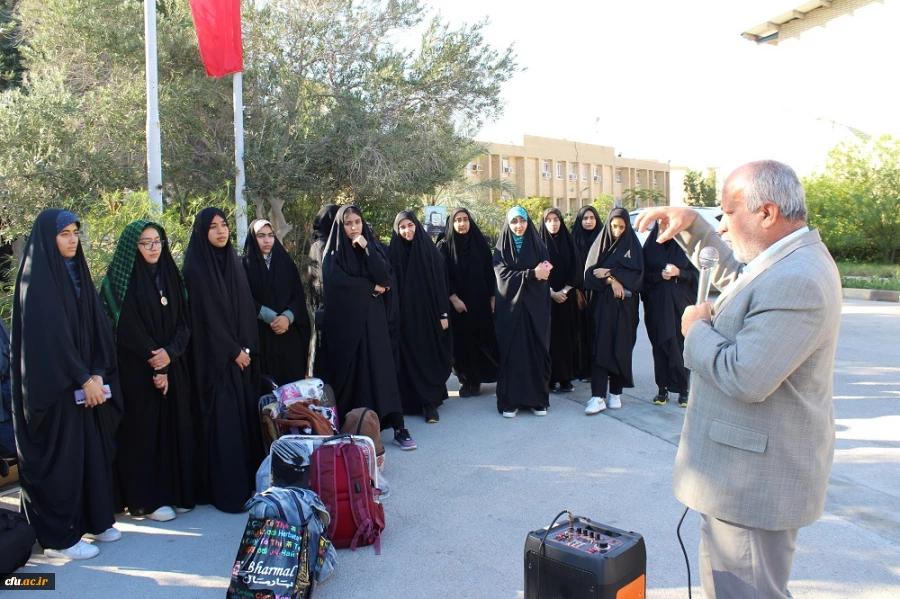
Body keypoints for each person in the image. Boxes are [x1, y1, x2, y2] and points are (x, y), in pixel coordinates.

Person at [635, 160, 842, 599]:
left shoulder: (799, 279)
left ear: (767, 213)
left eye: (728, 213)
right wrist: (693, 226)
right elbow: (743, 283)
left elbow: (744, 375)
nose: (723, 226)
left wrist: (696, 330)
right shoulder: (787, 262)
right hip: (742, 478)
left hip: (752, 485)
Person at [11, 209, 123, 560]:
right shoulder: (37, 280)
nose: (73, 240)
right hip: (55, 390)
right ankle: (60, 537)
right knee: (63, 460)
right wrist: (83, 378)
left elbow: (97, 326)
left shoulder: (77, 273)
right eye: (64, 234)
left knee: (89, 454)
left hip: (85, 385)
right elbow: (51, 339)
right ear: (49, 238)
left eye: (75, 232)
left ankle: (94, 520)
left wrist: (98, 373)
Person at [100, 220, 194, 522]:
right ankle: (148, 501)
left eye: (157, 242)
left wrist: (170, 355)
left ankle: (177, 493)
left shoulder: (172, 276)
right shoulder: (121, 280)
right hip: (136, 370)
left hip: (172, 366)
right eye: (146, 243)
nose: (154, 248)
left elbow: (185, 321)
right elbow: (126, 327)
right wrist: (156, 360)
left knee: (174, 428)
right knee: (145, 433)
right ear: (133, 247)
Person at [182, 207, 263, 513]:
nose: (221, 231)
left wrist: (247, 349)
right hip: (216, 363)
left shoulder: (233, 263)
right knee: (224, 426)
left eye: (224, 225)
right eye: (213, 227)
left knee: (243, 422)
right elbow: (206, 320)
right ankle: (228, 491)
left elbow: (244, 309)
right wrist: (232, 351)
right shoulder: (196, 268)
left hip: (242, 357)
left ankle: (248, 484)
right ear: (202, 232)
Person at [322, 205, 416, 450]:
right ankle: (355, 427)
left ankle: (398, 427)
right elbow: (337, 284)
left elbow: (384, 276)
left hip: (373, 323)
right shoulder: (333, 253)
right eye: (348, 223)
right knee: (354, 377)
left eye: (357, 222)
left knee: (382, 373)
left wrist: (367, 248)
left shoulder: (371, 247)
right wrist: (369, 287)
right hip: (347, 327)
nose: (354, 227)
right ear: (340, 226)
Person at [388, 211, 452, 423]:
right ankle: (411, 402)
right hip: (403, 319)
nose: (407, 230)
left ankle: (430, 403)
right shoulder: (392, 253)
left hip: (427, 316)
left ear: (416, 225)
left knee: (427, 356)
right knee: (406, 361)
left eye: (410, 225)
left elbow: (440, 286)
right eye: (402, 227)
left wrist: (443, 314)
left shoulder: (429, 252)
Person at [583, 207, 643, 414]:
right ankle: (598, 396)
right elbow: (590, 275)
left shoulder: (633, 247)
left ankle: (616, 392)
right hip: (602, 308)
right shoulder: (599, 246)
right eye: (614, 226)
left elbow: (638, 277)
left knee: (621, 347)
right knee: (600, 348)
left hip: (626, 308)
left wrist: (610, 273)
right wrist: (612, 281)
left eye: (622, 227)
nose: (617, 231)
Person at [493, 207, 552, 418]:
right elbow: (502, 275)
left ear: (528, 222)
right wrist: (531, 274)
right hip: (511, 310)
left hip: (535, 309)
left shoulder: (539, 245)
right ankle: (511, 401)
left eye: (522, 221)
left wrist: (535, 274)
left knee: (536, 351)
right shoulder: (501, 249)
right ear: (508, 224)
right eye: (514, 222)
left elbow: (545, 274)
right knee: (513, 353)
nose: (519, 226)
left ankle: (537, 400)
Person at [436, 208, 498, 397]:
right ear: (451, 223)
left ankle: (477, 380)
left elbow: (490, 272)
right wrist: (454, 299)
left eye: (465, 219)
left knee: (481, 340)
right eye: (458, 220)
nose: (462, 223)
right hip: (457, 306)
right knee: (461, 343)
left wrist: (493, 298)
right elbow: (442, 276)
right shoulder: (444, 246)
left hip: (480, 302)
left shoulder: (480, 243)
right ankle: (465, 380)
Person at [243, 219, 311, 386]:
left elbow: (297, 294)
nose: (267, 240)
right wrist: (268, 316)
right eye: (261, 236)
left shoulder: (285, 263)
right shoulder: (244, 266)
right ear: (253, 238)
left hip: (288, 334)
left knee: (292, 386)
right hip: (261, 335)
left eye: (270, 235)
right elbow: (243, 297)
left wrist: (287, 317)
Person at [641, 219, 698, 408]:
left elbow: (697, 275)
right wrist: (659, 276)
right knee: (660, 345)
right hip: (656, 305)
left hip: (680, 304)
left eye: (668, 224)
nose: (665, 227)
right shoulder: (649, 247)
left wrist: (679, 272)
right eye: (661, 224)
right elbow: (641, 277)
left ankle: (684, 389)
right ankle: (662, 388)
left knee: (680, 345)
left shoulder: (685, 246)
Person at [538, 207, 579, 393]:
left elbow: (576, 268)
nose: (553, 224)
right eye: (548, 220)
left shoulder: (568, 242)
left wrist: (565, 290)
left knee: (566, 339)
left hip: (566, 298)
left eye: (556, 220)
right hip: (546, 300)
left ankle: (565, 378)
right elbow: (537, 273)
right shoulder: (539, 245)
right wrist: (551, 293)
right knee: (549, 339)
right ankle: (549, 378)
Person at [571, 205, 602, 381]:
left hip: (600, 291)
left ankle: (599, 368)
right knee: (581, 331)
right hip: (581, 293)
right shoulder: (574, 239)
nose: (589, 221)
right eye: (585, 218)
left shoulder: (603, 239)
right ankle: (582, 369)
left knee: (599, 330)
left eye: (592, 218)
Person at [309, 204, 339, 381]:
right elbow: (323, 278)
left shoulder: (317, 242)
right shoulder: (324, 244)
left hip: (321, 305)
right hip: (329, 307)